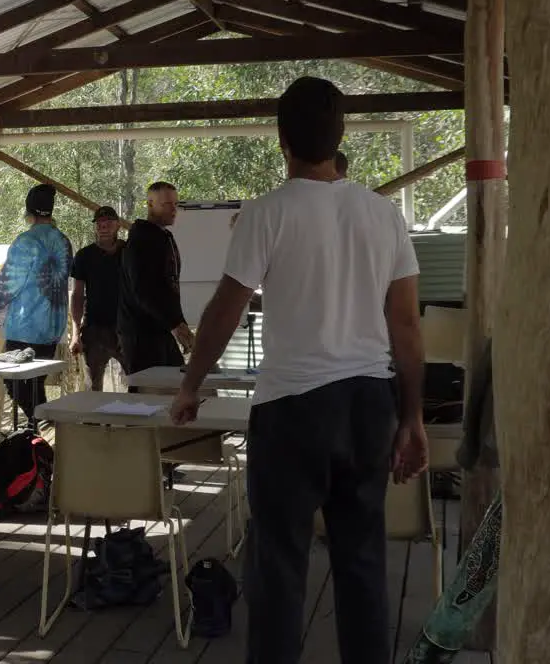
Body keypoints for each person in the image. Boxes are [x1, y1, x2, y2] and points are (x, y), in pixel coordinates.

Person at [169, 77, 429, 664]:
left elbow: (225, 312)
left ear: (282, 141)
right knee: (363, 563)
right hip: (368, 404)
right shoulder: (384, 215)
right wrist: (410, 417)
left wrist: (191, 386)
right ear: (340, 139)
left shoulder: (266, 213)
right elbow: (407, 326)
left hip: (291, 409)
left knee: (279, 567)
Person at [0, 184, 74, 423]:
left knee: (15, 383)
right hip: (52, 328)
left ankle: (45, 431)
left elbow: (9, 283)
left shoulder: (25, 241)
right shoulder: (64, 241)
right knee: (35, 385)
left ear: (29, 212)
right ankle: (40, 438)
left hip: (25, 326)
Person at [118, 181, 191, 381]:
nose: (173, 209)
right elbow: (143, 290)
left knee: (176, 383)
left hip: (160, 328)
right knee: (147, 394)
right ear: (150, 204)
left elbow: (169, 288)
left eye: (176, 204)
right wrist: (175, 324)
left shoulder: (162, 236)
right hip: (141, 333)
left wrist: (179, 322)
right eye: (167, 204)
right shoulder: (141, 240)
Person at [69, 205, 127, 391]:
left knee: (136, 383)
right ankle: (93, 421)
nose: (104, 227)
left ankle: (133, 420)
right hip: (94, 331)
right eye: (100, 223)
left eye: (109, 222)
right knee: (93, 388)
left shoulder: (129, 252)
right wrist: (76, 333)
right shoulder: (84, 256)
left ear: (118, 225)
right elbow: (77, 295)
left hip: (126, 330)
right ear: (95, 227)